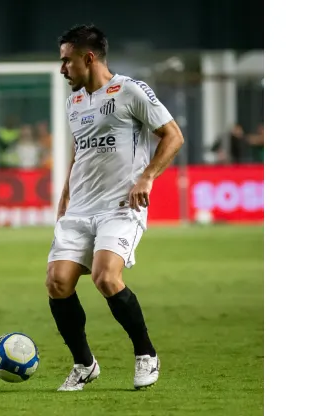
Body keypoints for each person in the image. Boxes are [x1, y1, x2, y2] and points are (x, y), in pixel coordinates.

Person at [47, 24, 185, 391]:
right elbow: (80, 150)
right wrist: (64, 197)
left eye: (66, 62)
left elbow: (173, 135)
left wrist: (148, 176)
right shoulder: (73, 101)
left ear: (88, 57)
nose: (62, 70)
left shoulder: (130, 91)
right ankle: (84, 364)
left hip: (121, 206)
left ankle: (146, 354)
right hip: (79, 208)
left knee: (105, 278)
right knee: (57, 283)